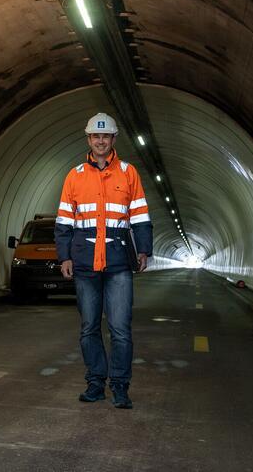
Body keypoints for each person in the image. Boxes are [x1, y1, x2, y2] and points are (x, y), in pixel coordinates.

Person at [55, 112, 152, 409]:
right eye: (95, 136)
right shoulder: (75, 176)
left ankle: (120, 386)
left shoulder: (128, 172)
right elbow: (64, 221)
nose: (100, 141)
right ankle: (95, 382)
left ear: (113, 139)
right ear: (88, 139)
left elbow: (140, 216)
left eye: (105, 136)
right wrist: (64, 257)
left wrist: (143, 249)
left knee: (121, 328)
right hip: (84, 263)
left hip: (119, 262)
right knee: (89, 327)